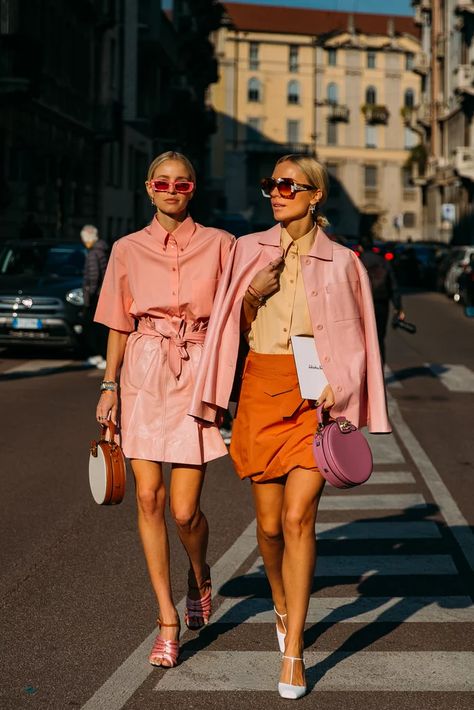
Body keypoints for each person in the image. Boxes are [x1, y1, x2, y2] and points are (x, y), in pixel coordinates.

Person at [190, 154, 390, 699]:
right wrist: (253, 292)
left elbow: (361, 340)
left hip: (315, 400)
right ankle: (280, 602)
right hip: (262, 387)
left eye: (287, 185)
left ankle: (295, 650)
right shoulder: (246, 249)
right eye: (270, 185)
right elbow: (230, 327)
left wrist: (342, 387)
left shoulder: (344, 262)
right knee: (271, 527)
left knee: (300, 518)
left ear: (315, 195)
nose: (275, 193)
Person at [94, 151, 234, 668]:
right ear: (149, 189)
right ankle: (167, 619)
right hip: (143, 372)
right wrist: (109, 385)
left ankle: (199, 572)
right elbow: (116, 322)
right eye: (163, 182)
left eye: (182, 183)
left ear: (193, 189)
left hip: (196, 373)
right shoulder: (127, 249)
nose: (172, 189)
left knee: (183, 510)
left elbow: (236, 315)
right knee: (148, 498)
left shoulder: (222, 245)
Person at [358, 234, 405, 364]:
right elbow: (393, 285)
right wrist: (398, 307)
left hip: (361, 305)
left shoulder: (358, 261)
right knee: (379, 338)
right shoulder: (383, 261)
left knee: (361, 339)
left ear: (360, 247)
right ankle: (379, 371)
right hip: (381, 303)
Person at [81, 225, 110, 368]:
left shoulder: (93, 253)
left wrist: (89, 294)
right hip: (103, 294)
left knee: (94, 328)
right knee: (101, 328)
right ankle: (101, 356)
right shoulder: (103, 250)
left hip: (96, 296)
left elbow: (93, 276)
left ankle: (99, 356)